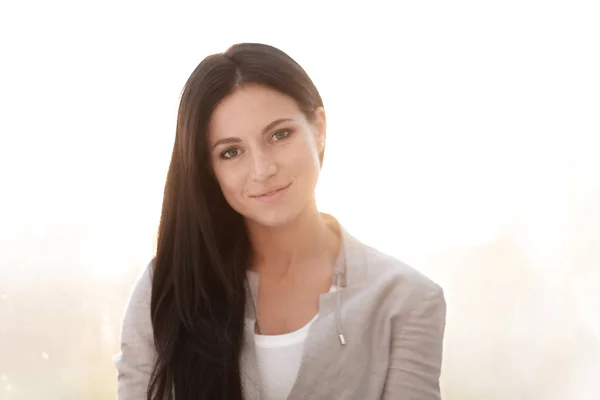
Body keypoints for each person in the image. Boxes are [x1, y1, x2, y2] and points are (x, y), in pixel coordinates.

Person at [113, 43, 446, 400]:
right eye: (231, 152)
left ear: (318, 128)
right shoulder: (166, 288)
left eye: (279, 135)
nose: (263, 169)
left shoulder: (406, 299)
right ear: (209, 171)